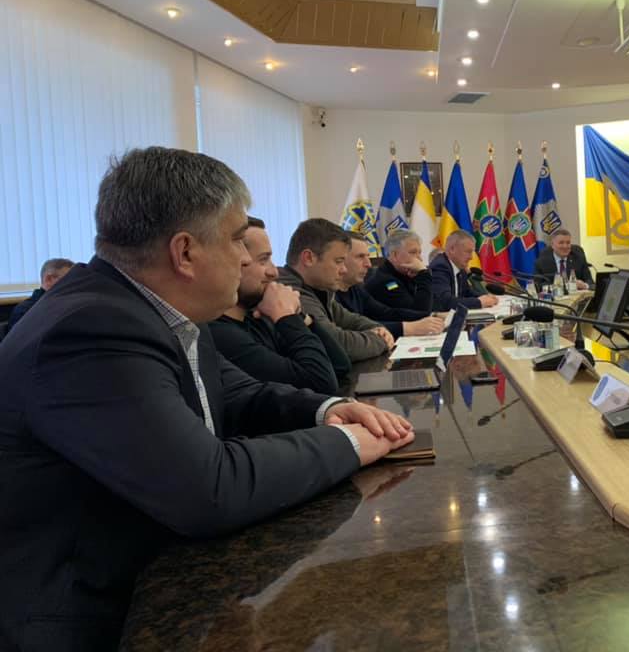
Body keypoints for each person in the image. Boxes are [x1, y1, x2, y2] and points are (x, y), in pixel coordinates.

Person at [0, 147, 413, 651]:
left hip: (153, 577)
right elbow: (209, 487)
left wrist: (326, 409)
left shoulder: (153, 309)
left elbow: (237, 393)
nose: (246, 259)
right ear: (185, 253)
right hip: (88, 622)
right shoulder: (90, 329)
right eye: (238, 240)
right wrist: (348, 443)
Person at [209, 217, 345, 394]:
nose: (274, 272)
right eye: (263, 260)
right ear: (235, 262)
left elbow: (340, 364)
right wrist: (287, 317)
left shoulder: (258, 319)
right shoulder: (221, 334)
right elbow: (321, 382)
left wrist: (303, 318)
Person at [278, 219, 395, 361]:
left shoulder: (319, 290)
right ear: (308, 258)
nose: (344, 270)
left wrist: (378, 329)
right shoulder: (292, 294)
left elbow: (352, 320)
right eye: (338, 261)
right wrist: (380, 340)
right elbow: (338, 344)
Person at [338, 233, 444, 337]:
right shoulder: (385, 281)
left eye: (368, 256)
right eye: (360, 256)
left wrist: (433, 315)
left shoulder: (355, 288)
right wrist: (424, 275)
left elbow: (386, 312)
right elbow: (353, 329)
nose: (368, 264)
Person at [364, 229, 433, 312]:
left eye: (419, 253)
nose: (420, 259)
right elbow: (419, 313)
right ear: (394, 255)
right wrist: (424, 275)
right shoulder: (385, 282)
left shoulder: (405, 275)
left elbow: (433, 305)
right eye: (413, 252)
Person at [428, 229, 497, 311]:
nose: (471, 257)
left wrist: (484, 297)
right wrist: (479, 302)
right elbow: (445, 302)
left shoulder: (459, 267)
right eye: (468, 252)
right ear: (452, 249)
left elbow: (467, 292)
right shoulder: (440, 267)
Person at [6, 257, 73, 332]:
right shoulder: (26, 310)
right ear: (49, 279)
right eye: (68, 280)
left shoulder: (67, 305)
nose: (73, 285)